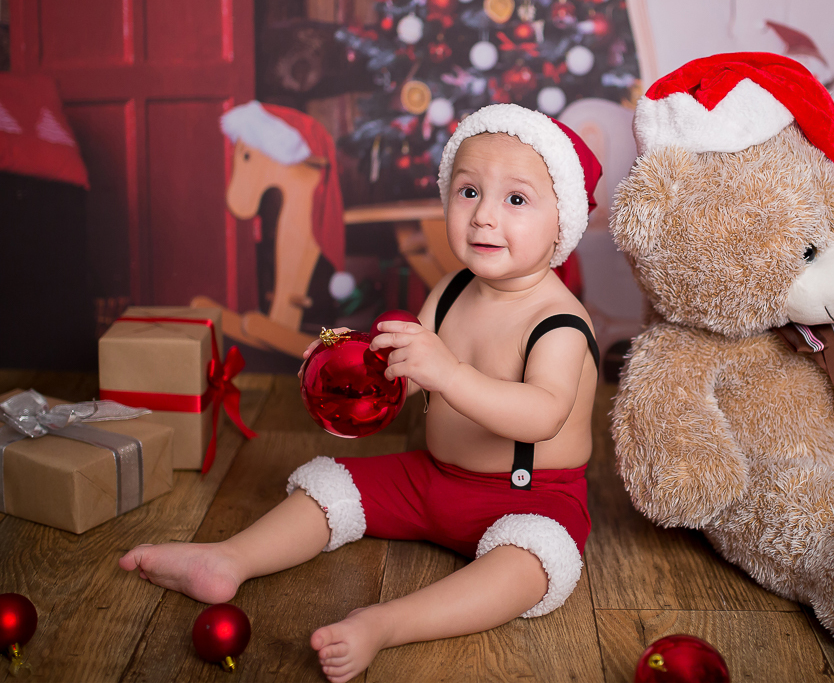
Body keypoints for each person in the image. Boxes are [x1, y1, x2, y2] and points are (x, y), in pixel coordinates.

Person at [119, 104, 603, 683]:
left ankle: (386, 623)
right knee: (331, 485)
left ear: (563, 223)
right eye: (469, 191)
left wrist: (447, 374)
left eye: (516, 200)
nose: (484, 219)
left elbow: (543, 414)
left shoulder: (559, 322)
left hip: (532, 498)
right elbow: (399, 369)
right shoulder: (450, 290)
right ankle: (229, 558)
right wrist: (346, 363)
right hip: (434, 479)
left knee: (530, 568)